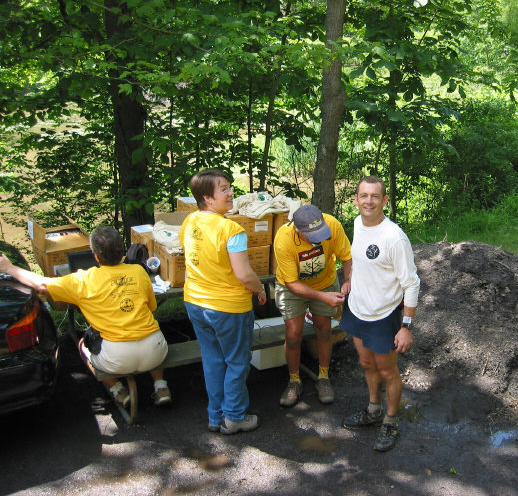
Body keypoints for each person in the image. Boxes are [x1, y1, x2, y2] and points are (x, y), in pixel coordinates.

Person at [0, 226, 172, 407]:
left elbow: (43, 285)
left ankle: (117, 389)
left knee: (82, 344)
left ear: (96, 255)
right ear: (122, 252)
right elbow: (151, 308)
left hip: (116, 358)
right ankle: (161, 386)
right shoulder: (139, 272)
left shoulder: (83, 280)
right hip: (156, 352)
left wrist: (9, 268)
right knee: (150, 329)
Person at [180, 168, 267, 435]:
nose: (231, 194)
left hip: (195, 302)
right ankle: (235, 417)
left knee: (214, 360)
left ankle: (215, 416)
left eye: (230, 188)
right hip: (228, 308)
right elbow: (244, 274)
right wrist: (260, 288)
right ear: (207, 198)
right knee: (237, 361)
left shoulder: (190, 222)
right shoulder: (231, 229)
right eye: (224, 189)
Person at [339, 176, 420, 452]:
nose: (369, 201)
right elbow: (357, 260)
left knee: (388, 370)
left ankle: (390, 421)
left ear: (385, 200)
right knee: (366, 362)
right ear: (356, 200)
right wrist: (349, 280)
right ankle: (373, 409)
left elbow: (412, 283)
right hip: (356, 309)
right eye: (364, 196)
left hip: (383, 316)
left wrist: (406, 326)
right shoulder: (357, 224)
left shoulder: (394, 238)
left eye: (375, 196)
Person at [273, 204, 352, 407]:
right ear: (298, 230)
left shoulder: (333, 225)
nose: (320, 239)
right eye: (313, 235)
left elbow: (347, 257)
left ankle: (323, 377)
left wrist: (348, 280)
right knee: (293, 335)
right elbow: (292, 284)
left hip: (325, 282)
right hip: (292, 288)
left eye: (321, 232)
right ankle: (294, 381)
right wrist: (323, 298)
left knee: (324, 330)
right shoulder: (284, 239)